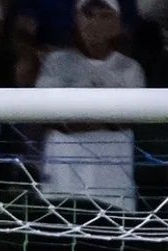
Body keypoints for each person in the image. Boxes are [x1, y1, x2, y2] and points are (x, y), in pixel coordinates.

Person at [33, 0, 145, 212]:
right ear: (77, 19)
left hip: (112, 184)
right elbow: (48, 115)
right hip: (62, 181)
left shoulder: (130, 69)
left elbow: (125, 119)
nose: (95, 22)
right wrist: (105, 119)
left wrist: (72, 118)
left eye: (104, 15)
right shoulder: (56, 62)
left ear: (118, 24)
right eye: (88, 14)